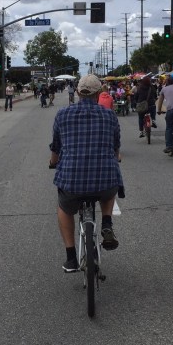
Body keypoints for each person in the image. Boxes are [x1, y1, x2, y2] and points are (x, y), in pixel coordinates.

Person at [49, 74, 123, 272]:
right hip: (104, 181)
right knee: (111, 179)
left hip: (72, 181)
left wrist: (53, 162)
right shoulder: (109, 115)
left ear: (79, 92)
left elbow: (56, 146)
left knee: (64, 209)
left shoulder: (62, 114)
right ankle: (106, 222)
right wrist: (115, 157)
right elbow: (116, 146)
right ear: (99, 93)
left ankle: (71, 257)